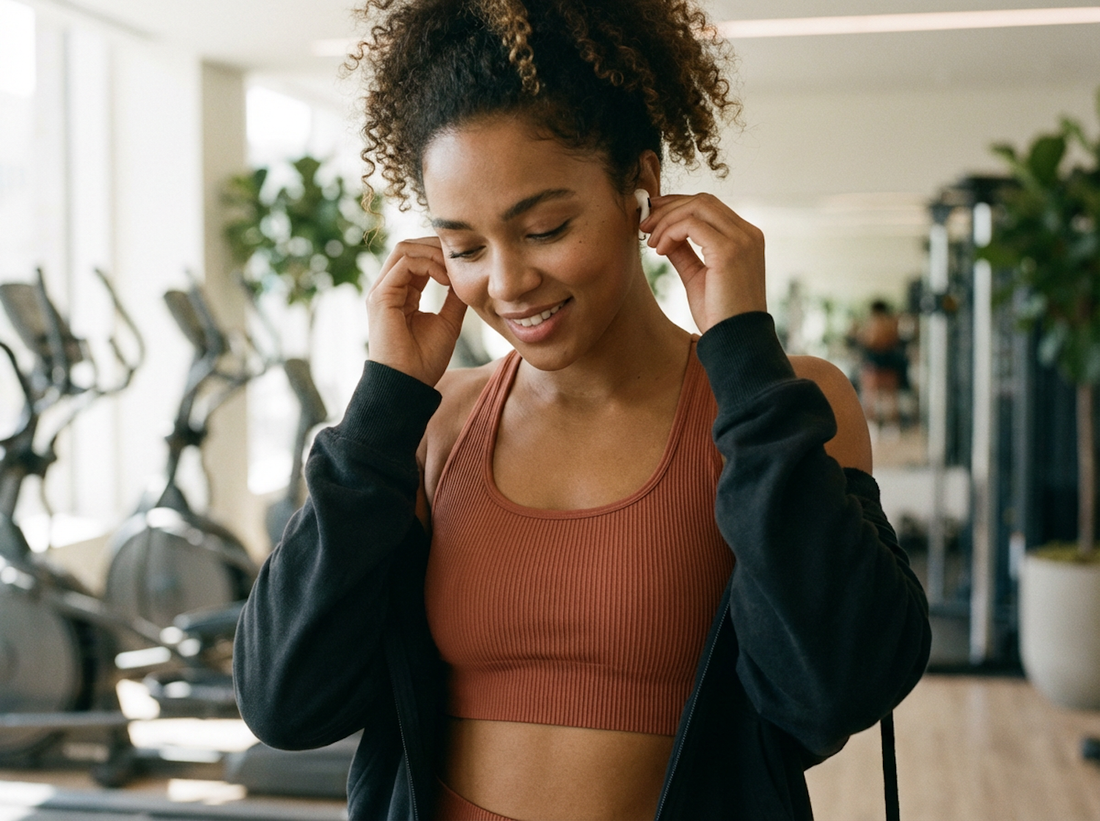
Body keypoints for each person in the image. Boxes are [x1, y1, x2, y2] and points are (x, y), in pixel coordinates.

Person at [233, 1, 932, 819]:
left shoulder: (780, 405)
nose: (506, 281)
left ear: (640, 188)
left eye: (545, 227)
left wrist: (742, 352)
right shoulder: (438, 424)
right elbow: (284, 700)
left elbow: (840, 685)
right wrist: (385, 403)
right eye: (463, 247)